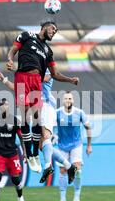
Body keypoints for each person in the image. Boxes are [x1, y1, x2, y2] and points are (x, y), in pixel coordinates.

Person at [6, 20, 79, 174]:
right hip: (22, 78)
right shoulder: (27, 36)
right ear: (45, 27)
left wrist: (70, 80)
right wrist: (10, 60)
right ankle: (30, 154)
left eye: (56, 31)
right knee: (25, 115)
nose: (54, 32)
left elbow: (54, 74)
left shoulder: (48, 51)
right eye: (53, 29)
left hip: (36, 82)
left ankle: (34, 154)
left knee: (38, 118)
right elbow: (13, 49)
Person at [0, 68, 78, 185]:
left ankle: (48, 166)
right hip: (35, 107)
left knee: (46, 136)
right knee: (43, 146)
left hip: (46, 105)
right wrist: (4, 80)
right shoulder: (27, 70)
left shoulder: (43, 65)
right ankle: (69, 166)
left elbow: (46, 78)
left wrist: (17, 72)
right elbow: (18, 89)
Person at [0, 98, 27, 201]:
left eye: (6, 105)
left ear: (9, 106)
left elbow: (21, 137)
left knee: (15, 179)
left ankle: (20, 198)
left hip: (12, 154)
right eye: (2, 105)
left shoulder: (15, 120)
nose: (4, 107)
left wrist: (25, 153)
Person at [56, 92, 92, 201]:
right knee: (63, 171)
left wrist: (89, 145)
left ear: (73, 100)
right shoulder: (57, 113)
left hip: (76, 144)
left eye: (70, 98)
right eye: (66, 98)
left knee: (77, 170)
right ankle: (62, 200)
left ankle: (76, 197)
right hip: (62, 145)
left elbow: (88, 127)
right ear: (62, 100)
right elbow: (49, 126)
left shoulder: (79, 113)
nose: (68, 100)